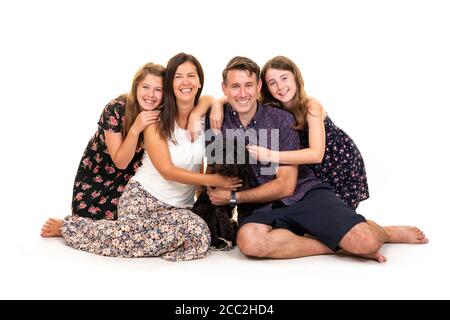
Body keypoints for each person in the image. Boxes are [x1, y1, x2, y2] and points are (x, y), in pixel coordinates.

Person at [206, 56, 428, 262]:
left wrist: (234, 197)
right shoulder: (218, 122)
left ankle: (383, 232)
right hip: (260, 207)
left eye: (248, 85)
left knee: (365, 241)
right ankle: (336, 245)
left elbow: (286, 186)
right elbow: (215, 172)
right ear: (225, 89)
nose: (242, 93)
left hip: (304, 192)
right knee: (250, 242)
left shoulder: (282, 119)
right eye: (235, 86)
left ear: (258, 87)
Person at [40, 53, 241, 262]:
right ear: (171, 84)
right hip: (143, 198)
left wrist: (209, 106)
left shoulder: (206, 116)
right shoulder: (155, 119)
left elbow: (234, 98)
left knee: (199, 235)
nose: (185, 82)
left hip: (179, 207)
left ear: (200, 81)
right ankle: (71, 227)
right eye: (178, 76)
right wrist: (214, 181)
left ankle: (136, 237)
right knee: (194, 231)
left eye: (191, 75)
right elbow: (167, 170)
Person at [190, 56, 368, 209]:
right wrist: (218, 105)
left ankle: (384, 233)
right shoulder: (272, 104)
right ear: (265, 87)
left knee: (339, 217)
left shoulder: (311, 106)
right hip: (305, 166)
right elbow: (239, 95)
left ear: (296, 78)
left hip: (337, 162)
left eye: (284, 79)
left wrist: (270, 155)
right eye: (272, 83)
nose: (280, 87)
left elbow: (316, 154)